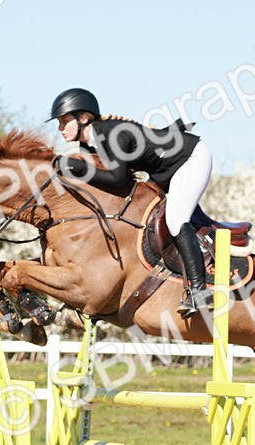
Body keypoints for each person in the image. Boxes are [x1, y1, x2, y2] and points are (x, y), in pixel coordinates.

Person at [49, 87, 214, 316]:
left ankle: (200, 291)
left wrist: (77, 167)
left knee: (176, 219)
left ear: (84, 118)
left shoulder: (111, 134)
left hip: (189, 158)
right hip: (167, 170)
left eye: (64, 121)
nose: (60, 128)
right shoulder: (88, 145)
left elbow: (116, 180)